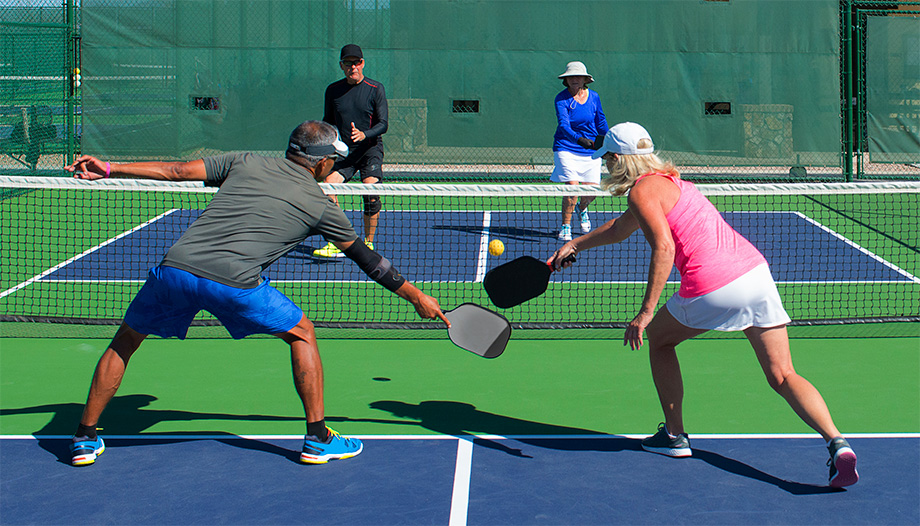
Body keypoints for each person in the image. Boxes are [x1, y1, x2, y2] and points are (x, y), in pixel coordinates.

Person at [64, 120, 448, 467]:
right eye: (332, 159)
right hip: (234, 283)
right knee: (302, 333)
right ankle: (317, 438)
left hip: (176, 269)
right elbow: (370, 261)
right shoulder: (321, 204)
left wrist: (109, 168)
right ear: (318, 164)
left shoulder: (244, 161)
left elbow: (176, 171)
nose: (333, 166)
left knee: (126, 340)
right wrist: (417, 297)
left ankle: (84, 437)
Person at [547, 122, 858, 488]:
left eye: (609, 159)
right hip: (755, 274)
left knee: (660, 341)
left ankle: (675, 437)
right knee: (783, 374)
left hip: (714, 284)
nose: (606, 166)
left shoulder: (642, 193)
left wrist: (645, 313)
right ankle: (837, 443)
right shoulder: (671, 183)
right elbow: (619, 229)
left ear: (618, 159)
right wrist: (575, 245)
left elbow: (664, 247)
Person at [313, 43, 388, 258]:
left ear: (362, 64)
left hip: (370, 151)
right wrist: (327, 144)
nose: (352, 67)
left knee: (370, 194)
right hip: (345, 154)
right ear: (341, 66)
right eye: (348, 63)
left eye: (356, 63)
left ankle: (368, 243)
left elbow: (383, 124)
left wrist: (365, 134)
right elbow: (327, 122)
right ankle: (339, 241)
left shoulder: (375, 89)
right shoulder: (333, 90)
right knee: (328, 189)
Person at [551, 61, 609, 241]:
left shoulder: (594, 97)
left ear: (585, 79)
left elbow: (600, 121)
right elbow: (564, 126)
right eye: (570, 77)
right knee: (572, 188)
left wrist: (608, 141)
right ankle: (566, 226)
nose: (574, 79)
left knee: (590, 192)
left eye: (578, 76)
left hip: (590, 150)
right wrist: (580, 140)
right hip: (566, 147)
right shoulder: (561, 99)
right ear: (566, 80)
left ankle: (582, 208)